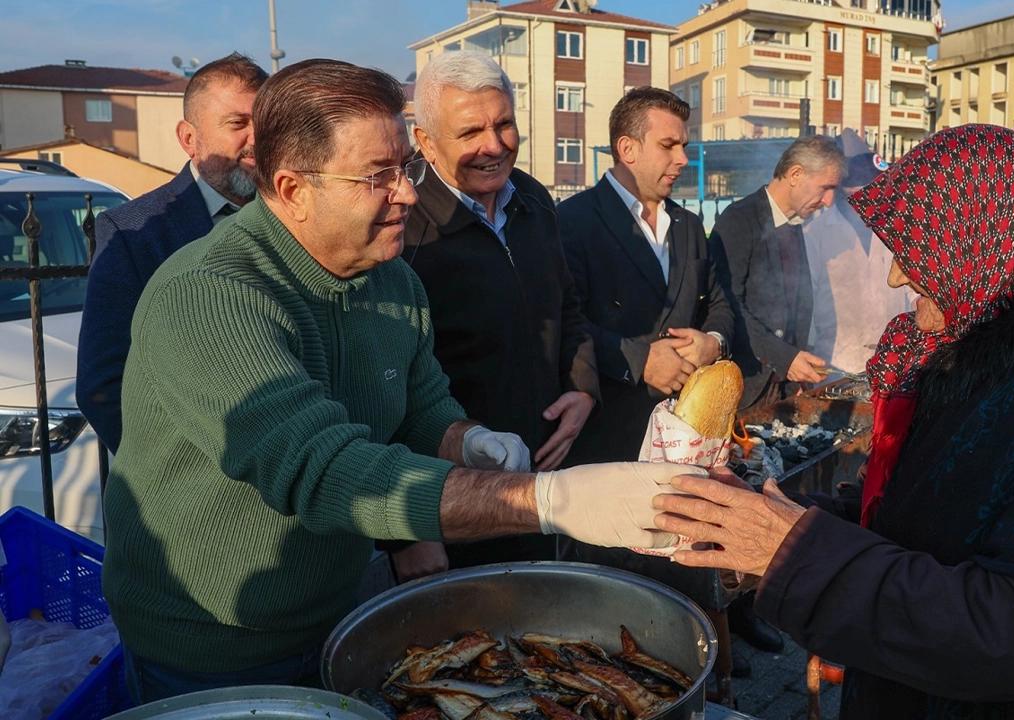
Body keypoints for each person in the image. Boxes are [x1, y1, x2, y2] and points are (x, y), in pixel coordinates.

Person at [101, 60, 693, 704]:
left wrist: (469, 440)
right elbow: (322, 471)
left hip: (338, 605)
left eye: (404, 169)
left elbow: (421, 406)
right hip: (213, 639)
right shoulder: (212, 293)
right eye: (376, 177)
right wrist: (545, 499)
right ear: (293, 189)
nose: (407, 194)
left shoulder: (392, 279)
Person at [653, 124, 1014, 718]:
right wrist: (774, 520)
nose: (897, 278)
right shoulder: (982, 347)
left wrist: (796, 552)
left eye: (916, 253)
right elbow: (926, 513)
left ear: (985, 243)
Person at [402, 51, 598, 570]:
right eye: (469, 133)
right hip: (454, 501)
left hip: (545, 476)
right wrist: (409, 534)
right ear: (425, 142)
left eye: (504, 123)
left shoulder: (532, 199)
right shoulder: (404, 230)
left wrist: (582, 387)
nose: (493, 145)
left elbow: (567, 305)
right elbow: (383, 389)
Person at [78, 52, 267, 454]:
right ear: (188, 138)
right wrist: (179, 476)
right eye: (237, 123)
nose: (257, 139)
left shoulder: (293, 218)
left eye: (265, 123)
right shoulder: (131, 233)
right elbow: (103, 386)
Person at [557, 87, 736, 464]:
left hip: (686, 435)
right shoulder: (572, 222)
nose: (683, 159)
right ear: (628, 149)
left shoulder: (689, 224)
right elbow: (561, 322)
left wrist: (713, 342)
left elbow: (719, 302)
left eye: (684, 145)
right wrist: (639, 361)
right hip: (609, 439)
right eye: (668, 145)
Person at [711, 136, 843, 408]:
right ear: (795, 174)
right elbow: (727, 305)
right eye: (825, 188)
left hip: (784, 388)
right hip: (743, 390)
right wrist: (784, 358)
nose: (829, 201)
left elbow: (798, 305)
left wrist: (796, 369)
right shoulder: (738, 219)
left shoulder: (796, 225)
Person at [802, 130, 913, 374]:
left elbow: (913, 290)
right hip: (836, 365)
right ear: (846, 191)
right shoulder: (815, 234)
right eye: (866, 190)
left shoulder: (897, 226)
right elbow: (804, 305)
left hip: (895, 363)